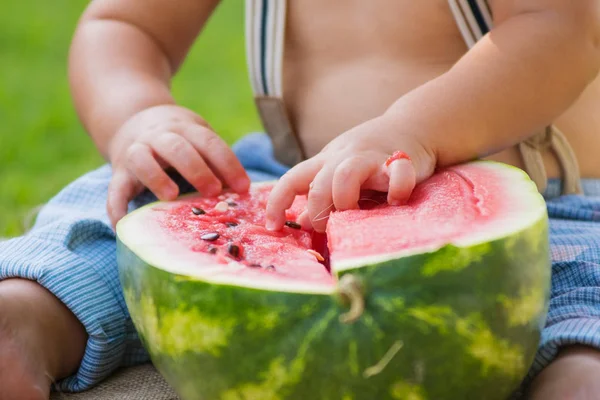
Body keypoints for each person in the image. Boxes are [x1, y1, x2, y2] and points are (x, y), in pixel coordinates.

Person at [1, 0, 600, 399]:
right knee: (111, 215)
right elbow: (124, 25)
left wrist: (410, 132)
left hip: (548, 202)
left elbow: (560, 32)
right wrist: (138, 117)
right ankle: (25, 319)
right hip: (285, 179)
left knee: (582, 316)